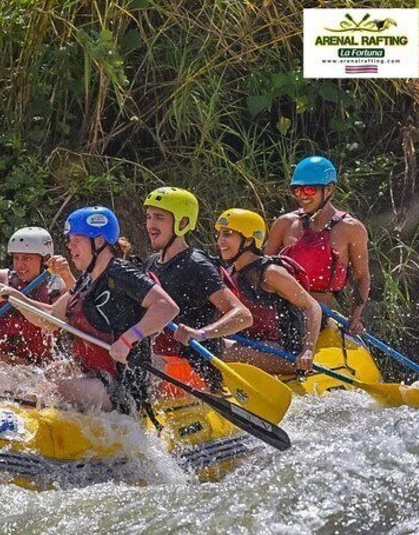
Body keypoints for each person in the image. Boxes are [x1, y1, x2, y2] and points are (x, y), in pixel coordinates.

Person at [0, 206, 179, 413]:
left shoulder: (120, 272)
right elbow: (52, 317)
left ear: (98, 241)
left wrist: (128, 339)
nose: (70, 247)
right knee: (44, 375)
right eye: (69, 241)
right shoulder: (85, 281)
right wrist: (16, 298)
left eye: (76, 240)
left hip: (120, 387)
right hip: (95, 377)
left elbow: (167, 307)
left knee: (51, 388)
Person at [141, 187, 252, 391]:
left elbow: (243, 315)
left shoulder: (196, 265)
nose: (150, 225)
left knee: (139, 368)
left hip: (195, 370)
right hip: (163, 362)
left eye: (159, 218)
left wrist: (201, 333)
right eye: (148, 217)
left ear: (182, 223)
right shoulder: (150, 263)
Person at [265, 156, 370, 333]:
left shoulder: (351, 228)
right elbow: (261, 269)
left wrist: (355, 317)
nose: (302, 196)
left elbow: (362, 277)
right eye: (297, 191)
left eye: (309, 190)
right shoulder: (285, 223)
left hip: (321, 313)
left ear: (329, 189)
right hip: (280, 310)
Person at [214, 208, 322, 374]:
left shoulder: (270, 273)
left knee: (221, 350)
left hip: (284, 353)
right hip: (250, 344)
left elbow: (312, 306)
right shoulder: (230, 273)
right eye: (220, 235)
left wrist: (308, 349)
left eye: (227, 234)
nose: (220, 241)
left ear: (249, 241)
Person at [0, 227, 75, 364]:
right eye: (16, 258)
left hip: (34, 367)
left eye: (27, 258)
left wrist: (67, 277)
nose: (20, 265)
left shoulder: (55, 287)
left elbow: (70, 312)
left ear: (45, 260)